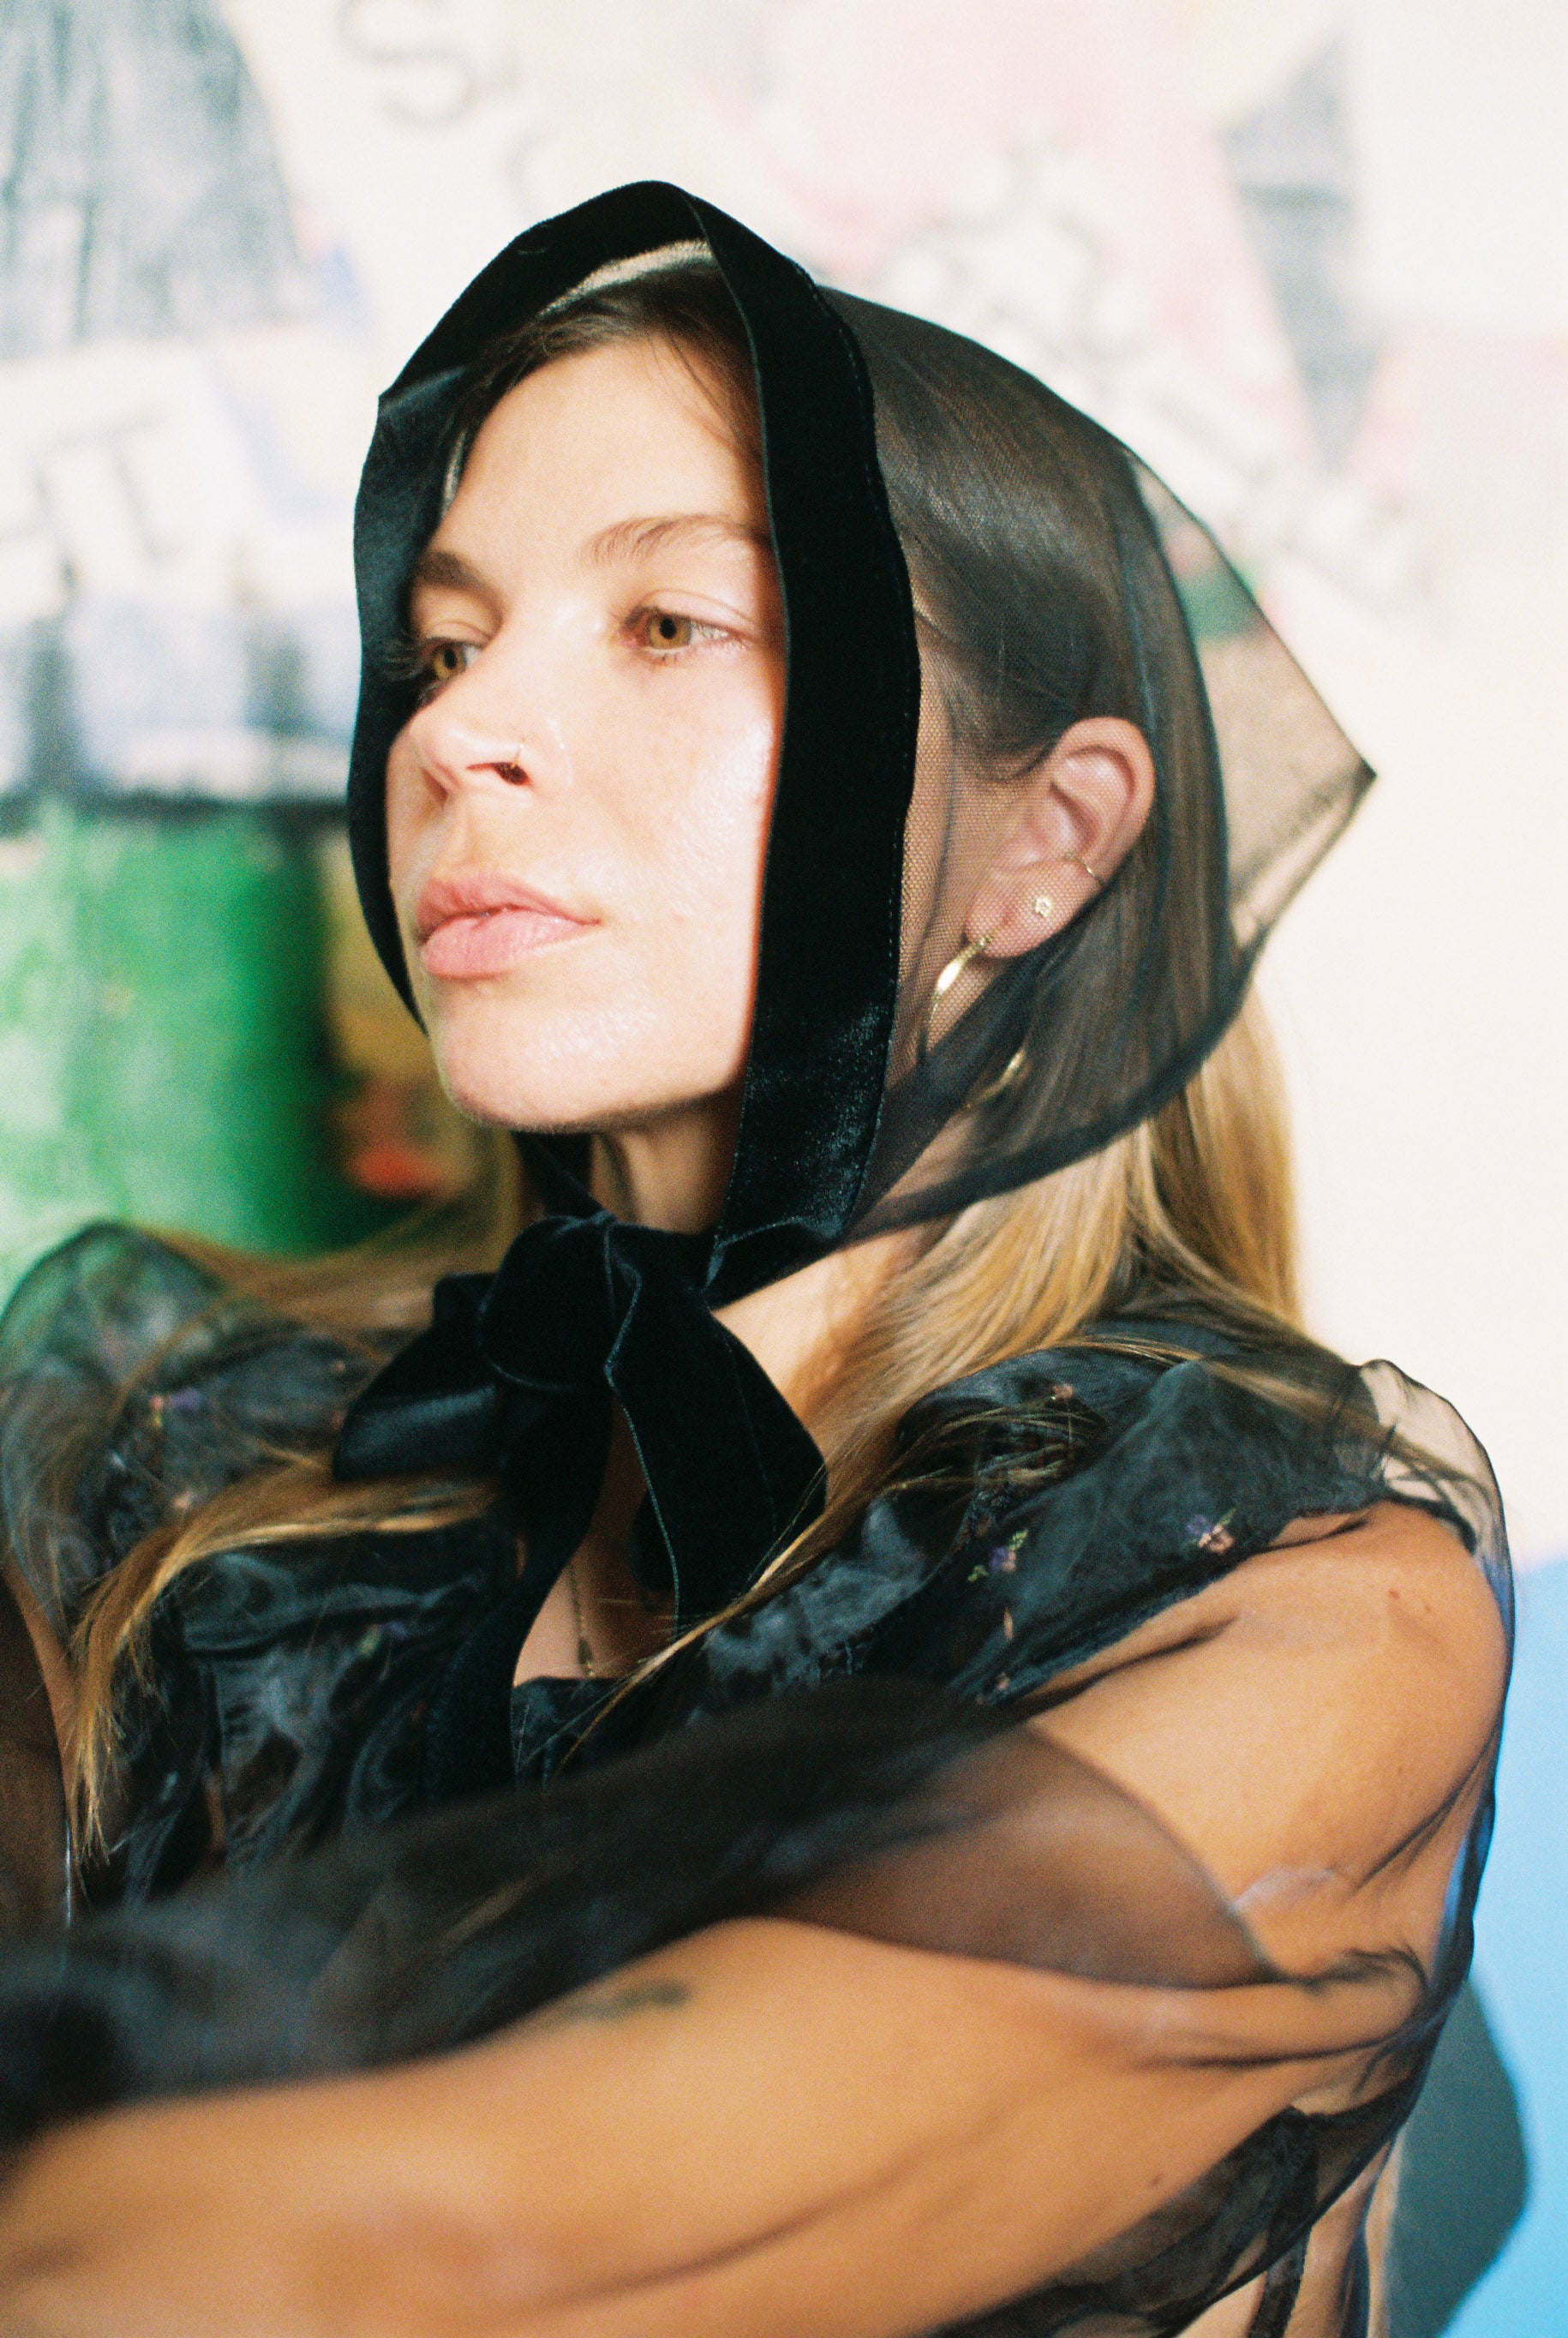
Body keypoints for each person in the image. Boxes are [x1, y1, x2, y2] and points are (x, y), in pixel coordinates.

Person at [0, 184, 1509, 2338]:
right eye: (442, 645)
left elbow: (465, 2247)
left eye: (670, 625)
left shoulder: (1311, 1605)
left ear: (1045, 839)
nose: (450, 733)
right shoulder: (188, 1463)